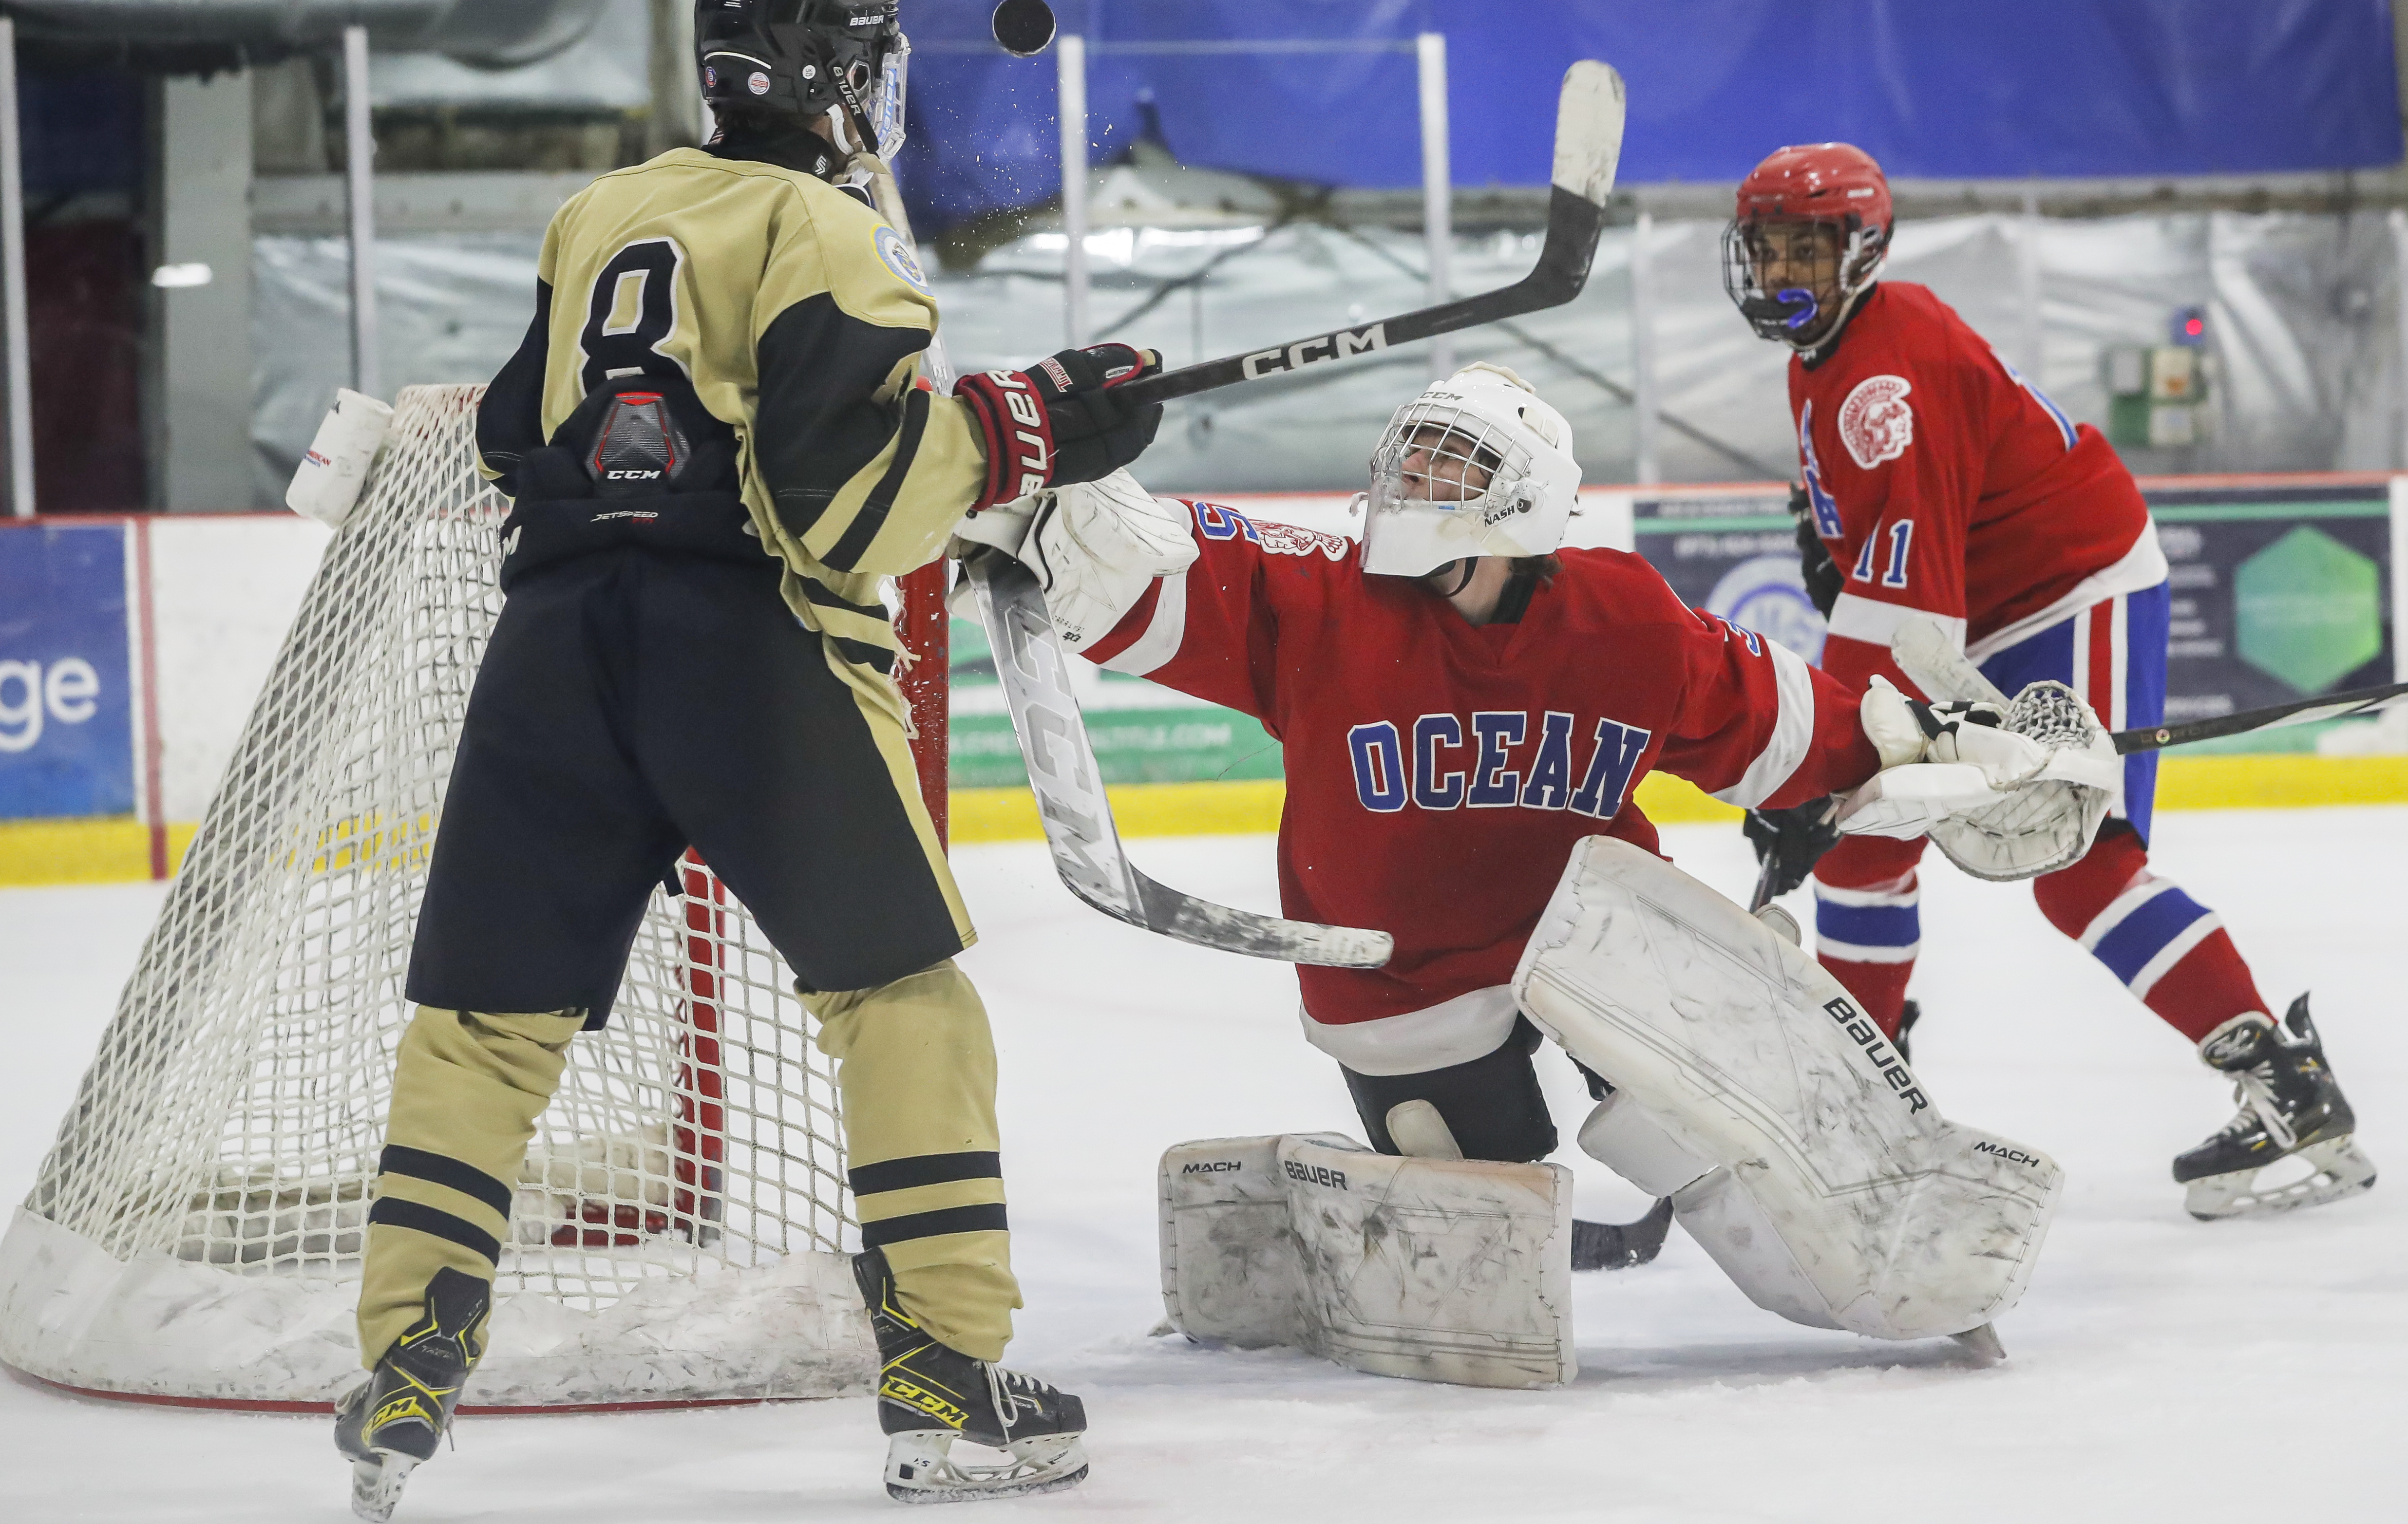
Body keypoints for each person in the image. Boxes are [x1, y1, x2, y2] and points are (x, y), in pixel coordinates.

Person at [335, 0, 1160, 1512]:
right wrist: (1031, 426)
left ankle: (405, 1356)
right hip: (749, 656)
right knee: (901, 1001)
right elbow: (840, 504)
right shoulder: (831, 232)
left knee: (483, 1022)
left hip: (556, 646)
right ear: (850, 79)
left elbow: (522, 429)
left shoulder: (602, 210)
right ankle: (948, 1379)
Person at [959, 361, 2060, 1267]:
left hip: (1601, 945)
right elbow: (1151, 566)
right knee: (1479, 1224)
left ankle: (1886, 1249)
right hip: (1403, 968)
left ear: (1522, 496)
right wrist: (1013, 479)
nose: (1418, 482)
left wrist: (1939, 742)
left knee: (1755, 1163)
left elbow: (1788, 725)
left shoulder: (1625, 617)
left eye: (1454, 465)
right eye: (1412, 457)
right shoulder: (1323, 599)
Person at [1722, 141, 2374, 1222]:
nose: (1786, 271)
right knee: (1866, 841)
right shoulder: (1828, 352)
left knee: (2081, 865)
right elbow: (1897, 574)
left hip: (2074, 587)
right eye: (1770, 249)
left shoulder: (1888, 376)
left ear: (1860, 250)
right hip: (1976, 607)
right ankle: (1867, 1101)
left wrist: (1814, 758)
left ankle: (2284, 1085)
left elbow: (1902, 624)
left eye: (1809, 249)